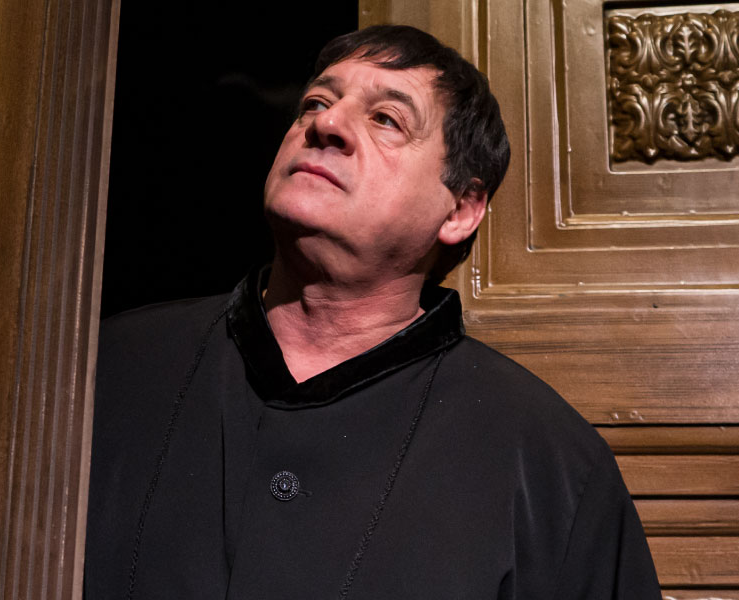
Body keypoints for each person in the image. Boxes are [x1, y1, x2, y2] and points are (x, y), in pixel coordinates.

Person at [83, 25, 660, 599]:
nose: (326, 124)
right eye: (316, 102)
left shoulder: (550, 463)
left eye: (387, 119)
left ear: (460, 209)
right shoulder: (109, 369)